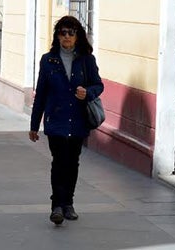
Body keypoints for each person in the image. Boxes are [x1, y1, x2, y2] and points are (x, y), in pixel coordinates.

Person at [28, 16, 104, 225]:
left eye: (71, 32)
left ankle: (68, 204)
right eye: (63, 32)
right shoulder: (48, 60)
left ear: (77, 35)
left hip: (78, 120)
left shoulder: (87, 59)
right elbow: (41, 94)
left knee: (72, 163)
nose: (67, 37)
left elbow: (98, 85)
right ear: (57, 36)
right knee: (59, 162)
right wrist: (34, 125)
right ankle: (57, 206)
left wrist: (87, 92)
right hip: (56, 120)